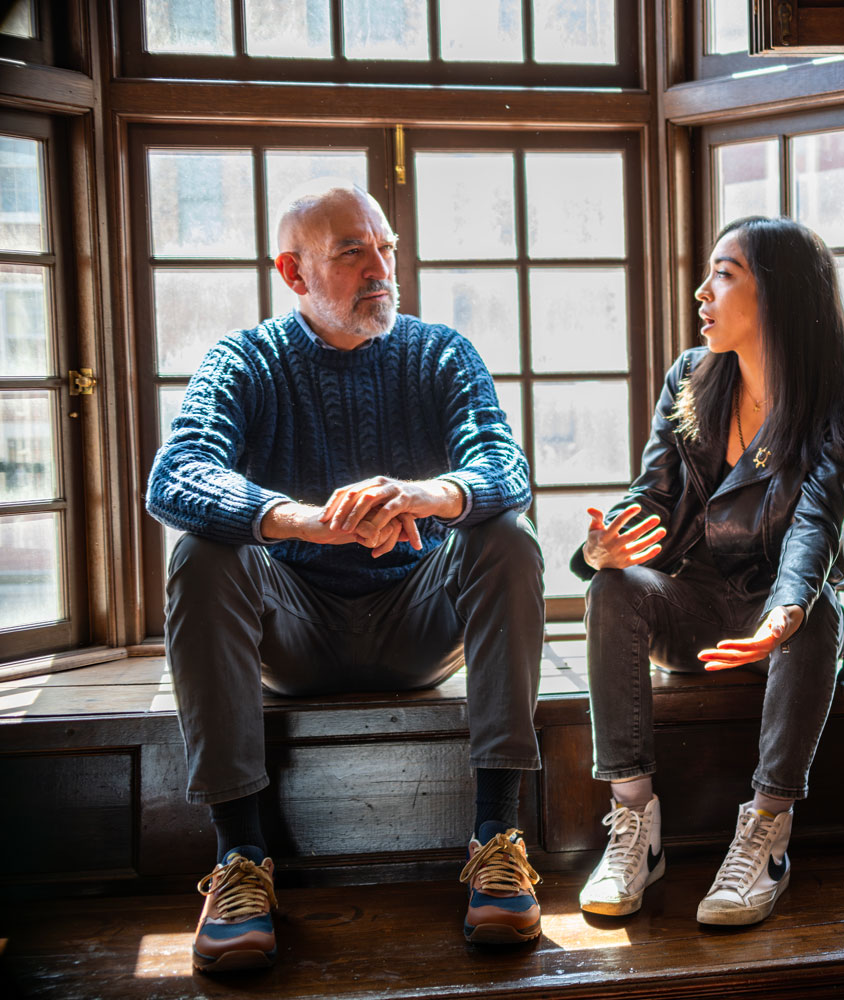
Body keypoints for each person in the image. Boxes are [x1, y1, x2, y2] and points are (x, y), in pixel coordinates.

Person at [145, 183, 546, 972]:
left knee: (507, 533)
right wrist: (301, 518)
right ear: (293, 273)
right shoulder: (245, 360)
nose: (381, 268)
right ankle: (240, 861)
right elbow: (175, 476)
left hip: (416, 625)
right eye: (353, 252)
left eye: (387, 246)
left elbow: (506, 466)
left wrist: (424, 495)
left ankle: (499, 837)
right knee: (200, 550)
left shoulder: (441, 352)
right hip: (293, 632)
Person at [570, 215, 844, 926]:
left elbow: (816, 522)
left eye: (725, 274)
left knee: (816, 619)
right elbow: (651, 495)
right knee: (613, 588)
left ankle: (766, 836)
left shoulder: (841, 400)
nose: (702, 292)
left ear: (779, 295)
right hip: (691, 605)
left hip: (770, 619)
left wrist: (782, 615)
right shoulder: (691, 376)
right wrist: (605, 547)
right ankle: (634, 831)